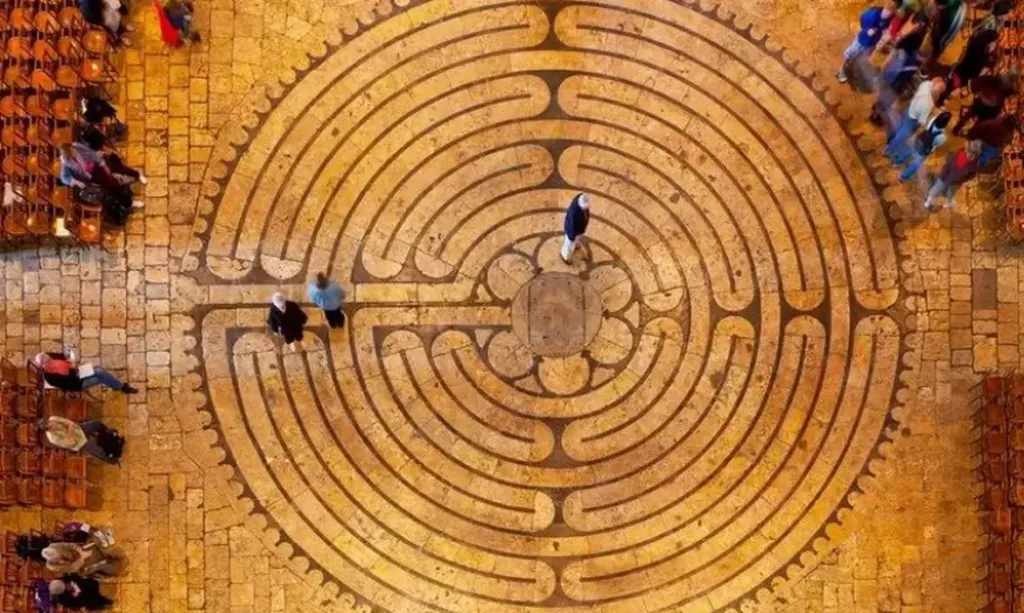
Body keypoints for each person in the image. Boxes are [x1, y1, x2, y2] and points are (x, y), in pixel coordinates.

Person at [870, 26, 927, 125]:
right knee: (887, 101)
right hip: (896, 83)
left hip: (887, 77)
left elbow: (887, 63)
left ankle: (877, 106)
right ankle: (876, 116)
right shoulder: (913, 58)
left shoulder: (899, 47)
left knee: (882, 96)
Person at [885, 77, 946, 161]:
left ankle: (890, 140)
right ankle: (889, 149)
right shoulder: (929, 104)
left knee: (899, 126)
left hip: (909, 107)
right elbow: (922, 121)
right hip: (912, 119)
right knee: (902, 135)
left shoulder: (926, 83)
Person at [836, 1, 897, 83]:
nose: (888, 13)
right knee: (849, 54)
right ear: (885, 8)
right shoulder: (872, 15)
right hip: (862, 40)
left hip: (872, 43)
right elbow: (862, 19)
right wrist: (866, 30)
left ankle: (854, 69)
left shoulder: (889, 19)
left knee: (863, 57)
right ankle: (841, 72)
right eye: (888, 10)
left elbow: (885, 28)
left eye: (891, 12)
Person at [34, 351, 138, 394]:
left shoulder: (50, 356)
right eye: (48, 362)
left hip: (77, 371)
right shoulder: (50, 378)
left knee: (99, 370)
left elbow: (63, 355)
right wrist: (72, 369)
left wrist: (70, 358)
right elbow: (68, 382)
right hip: (76, 383)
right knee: (100, 376)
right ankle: (121, 387)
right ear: (44, 367)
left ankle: (118, 386)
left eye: (49, 359)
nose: (51, 361)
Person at [894, 110, 951, 181]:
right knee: (916, 164)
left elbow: (926, 128)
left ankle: (897, 162)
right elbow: (937, 145)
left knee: (909, 150)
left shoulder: (933, 119)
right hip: (924, 149)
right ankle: (903, 176)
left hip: (920, 140)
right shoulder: (943, 136)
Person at [952, 73, 1017, 135]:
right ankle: (970, 133)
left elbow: (983, 81)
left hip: (983, 99)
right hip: (992, 106)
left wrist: (974, 87)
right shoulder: (1010, 89)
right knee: (979, 122)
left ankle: (958, 127)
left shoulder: (997, 79)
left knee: (970, 114)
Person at [41, 417, 122, 465]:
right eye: (50, 425)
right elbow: (72, 443)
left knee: (96, 424)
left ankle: (108, 432)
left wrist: (70, 433)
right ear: (49, 429)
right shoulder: (53, 439)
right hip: (79, 443)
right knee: (99, 451)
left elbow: (70, 423)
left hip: (78, 429)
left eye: (51, 422)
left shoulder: (53, 418)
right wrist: (71, 431)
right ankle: (110, 460)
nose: (53, 423)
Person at [924, 142, 980, 210]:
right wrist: (963, 180)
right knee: (949, 192)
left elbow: (947, 165)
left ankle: (929, 201)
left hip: (947, 177)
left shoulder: (956, 156)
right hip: (955, 181)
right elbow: (971, 175)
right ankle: (946, 204)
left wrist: (943, 175)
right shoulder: (972, 165)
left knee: (938, 188)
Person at [41, 541, 123, 576]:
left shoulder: (54, 546)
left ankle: (113, 556)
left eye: (56, 552)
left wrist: (81, 551)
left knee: (95, 546)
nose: (58, 554)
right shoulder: (53, 566)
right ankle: (115, 571)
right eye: (56, 556)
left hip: (78, 553)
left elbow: (70, 545)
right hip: (79, 567)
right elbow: (73, 568)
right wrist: (82, 559)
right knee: (98, 564)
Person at [44, 576, 113, 610]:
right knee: (93, 600)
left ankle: (106, 602)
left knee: (96, 596)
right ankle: (106, 603)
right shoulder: (64, 598)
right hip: (85, 599)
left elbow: (76, 577)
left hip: (87, 588)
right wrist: (76, 593)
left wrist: (75, 584)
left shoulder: (65, 579)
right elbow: (77, 604)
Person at [561, 193, 590, 264]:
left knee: (574, 241)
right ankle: (565, 257)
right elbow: (571, 226)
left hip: (578, 230)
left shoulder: (580, 202)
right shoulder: (574, 213)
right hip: (573, 232)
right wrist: (571, 237)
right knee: (569, 245)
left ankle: (575, 243)